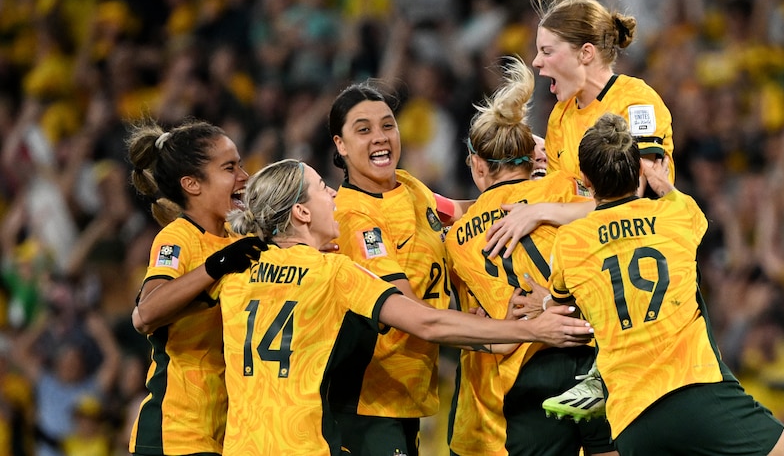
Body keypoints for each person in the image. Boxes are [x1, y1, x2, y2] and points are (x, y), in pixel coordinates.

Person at [213, 158, 591, 456]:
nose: (334, 198)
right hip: (304, 444)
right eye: (323, 189)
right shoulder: (332, 272)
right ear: (302, 213)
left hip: (240, 445)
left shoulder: (235, 273)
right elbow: (426, 323)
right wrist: (531, 330)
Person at [546, 112, 784, 455]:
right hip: (696, 388)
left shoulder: (568, 242)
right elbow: (685, 209)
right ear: (638, 168)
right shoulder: (677, 214)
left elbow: (563, 304)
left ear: (585, 180)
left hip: (631, 419)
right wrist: (660, 180)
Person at [445, 56, 615, 456]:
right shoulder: (560, 187)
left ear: (477, 165)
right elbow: (619, 208)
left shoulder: (456, 240)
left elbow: (500, 337)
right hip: (594, 358)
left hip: (526, 372)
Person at [484, 0, 674, 259]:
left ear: (585, 53)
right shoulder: (560, 117)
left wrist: (540, 211)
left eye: (547, 51)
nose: (536, 62)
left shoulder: (635, 100)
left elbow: (631, 200)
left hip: (646, 261)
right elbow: (561, 197)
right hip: (589, 264)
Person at [323, 80, 462, 455]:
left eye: (387, 125)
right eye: (363, 129)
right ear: (340, 145)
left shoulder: (410, 187)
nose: (380, 137)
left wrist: (530, 202)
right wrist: (505, 332)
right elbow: (416, 316)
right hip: (367, 403)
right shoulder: (353, 216)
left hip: (408, 393)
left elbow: (462, 213)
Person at [126, 119, 267, 455]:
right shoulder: (178, 237)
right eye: (229, 168)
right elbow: (145, 314)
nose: (244, 177)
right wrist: (217, 266)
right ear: (192, 184)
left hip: (223, 431)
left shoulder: (239, 241)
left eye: (241, 165)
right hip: (174, 431)